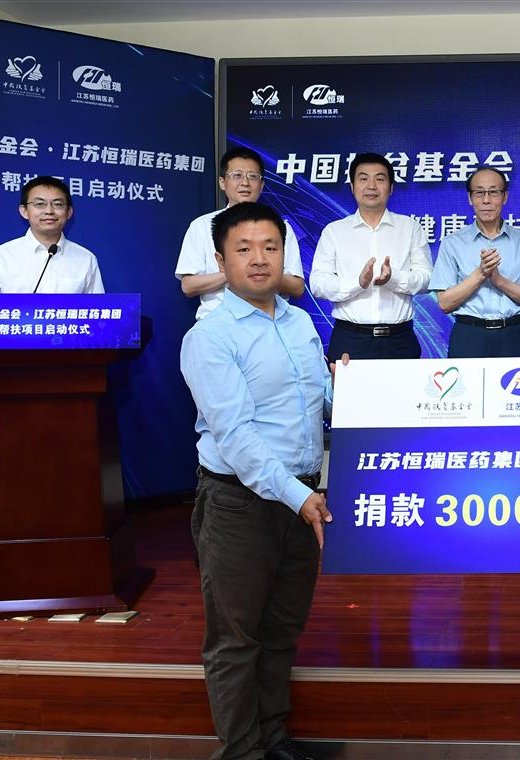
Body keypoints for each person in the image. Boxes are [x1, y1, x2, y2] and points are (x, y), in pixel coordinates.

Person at [180, 202, 335, 760]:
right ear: (221, 261)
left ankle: (274, 740)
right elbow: (236, 436)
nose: (259, 259)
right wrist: (300, 497)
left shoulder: (299, 323)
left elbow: (322, 403)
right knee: (236, 639)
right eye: (243, 249)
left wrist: (354, 392)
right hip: (240, 504)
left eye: (270, 247)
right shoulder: (210, 336)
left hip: (301, 498)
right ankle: (242, 753)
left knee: (281, 633)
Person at [310, 152, 433, 361]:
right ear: (352, 186)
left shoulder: (410, 228)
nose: (372, 186)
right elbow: (318, 284)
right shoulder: (334, 231)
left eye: (380, 179)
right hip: (350, 339)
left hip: (399, 340)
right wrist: (358, 283)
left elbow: (427, 280)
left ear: (391, 187)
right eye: (363, 178)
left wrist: (393, 278)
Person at [175, 147, 306, 320]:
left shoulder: (280, 227)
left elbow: (297, 287)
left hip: (269, 322)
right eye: (236, 175)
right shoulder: (201, 226)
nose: (245, 183)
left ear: (262, 184)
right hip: (218, 322)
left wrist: (260, 275)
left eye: (252, 176)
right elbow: (188, 286)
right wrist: (235, 272)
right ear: (222, 182)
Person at [431, 166, 520, 357]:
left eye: (494, 192)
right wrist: (480, 274)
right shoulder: (452, 243)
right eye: (479, 193)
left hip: (513, 335)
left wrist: (499, 280)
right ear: (470, 198)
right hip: (468, 335)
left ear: (505, 197)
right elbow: (445, 303)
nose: (486, 200)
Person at [0, 176, 103, 294]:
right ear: (24, 211)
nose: (49, 211)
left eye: (58, 204)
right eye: (40, 204)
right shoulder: (1, 256)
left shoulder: (86, 259)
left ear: (69, 212)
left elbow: (98, 310)